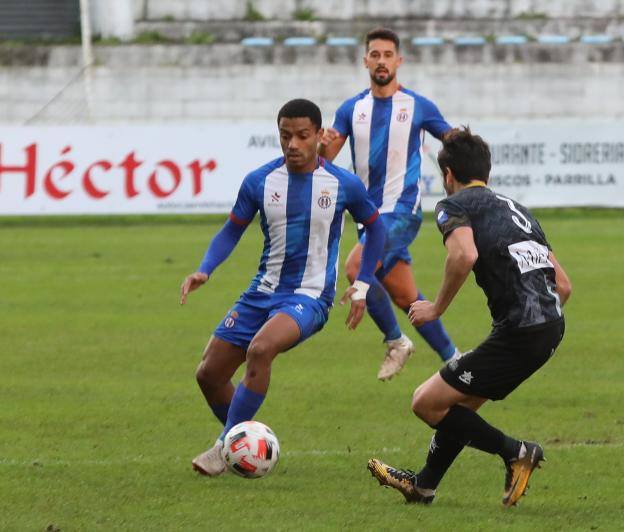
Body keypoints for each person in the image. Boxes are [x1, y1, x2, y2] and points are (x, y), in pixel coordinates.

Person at [366, 127, 572, 507]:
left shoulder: (454, 205)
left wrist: (435, 308)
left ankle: (517, 451)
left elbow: (463, 255)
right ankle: (423, 486)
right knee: (457, 408)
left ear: (447, 175)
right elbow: (563, 285)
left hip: (521, 332)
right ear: (486, 172)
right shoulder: (518, 210)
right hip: (549, 328)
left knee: (425, 403)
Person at [181, 99, 386, 476]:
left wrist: (362, 284)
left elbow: (377, 228)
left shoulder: (343, 184)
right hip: (262, 292)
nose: (293, 144)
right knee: (208, 374)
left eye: (302, 136)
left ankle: (224, 447)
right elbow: (231, 230)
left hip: (309, 297)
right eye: (285, 135)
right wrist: (204, 270)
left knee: (261, 349)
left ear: (318, 136)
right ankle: (245, 444)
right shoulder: (259, 181)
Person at [318, 27, 459, 381]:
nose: (381, 61)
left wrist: (466, 168)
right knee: (406, 296)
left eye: (387, 55)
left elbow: (454, 142)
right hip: (368, 214)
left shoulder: (418, 105)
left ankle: (396, 341)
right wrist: (321, 146)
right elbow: (327, 160)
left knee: (355, 268)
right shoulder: (352, 109)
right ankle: (456, 360)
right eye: (375, 55)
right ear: (366, 60)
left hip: (402, 210)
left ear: (399, 61)